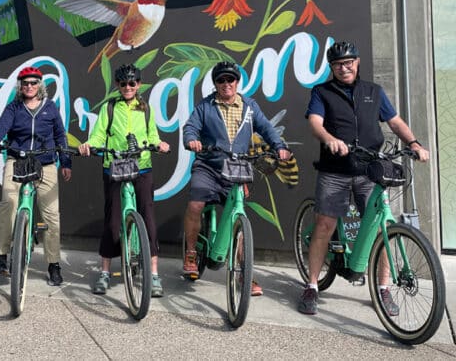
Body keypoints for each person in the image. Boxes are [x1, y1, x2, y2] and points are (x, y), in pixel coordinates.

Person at [298, 41, 429, 316]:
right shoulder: (322, 92)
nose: (343, 68)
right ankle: (311, 286)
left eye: (348, 63)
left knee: (380, 226)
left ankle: (383, 289)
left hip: (369, 169)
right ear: (331, 68)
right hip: (334, 169)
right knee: (324, 224)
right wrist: (330, 139)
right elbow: (315, 123)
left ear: (357, 63)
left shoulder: (374, 91)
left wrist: (414, 143)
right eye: (337, 64)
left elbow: (394, 121)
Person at [181, 61, 291, 296]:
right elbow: (190, 127)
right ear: (215, 84)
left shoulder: (249, 106)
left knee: (238, 218)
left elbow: (267, 128)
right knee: (196, 204)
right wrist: (192, 139)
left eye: (230, 79)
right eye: (221, 80)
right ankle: (190, 252)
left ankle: (244, 274)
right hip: (209, 166)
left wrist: (279, 146)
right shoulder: (205, 106)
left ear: (237, 81)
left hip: (237, 168)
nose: (226, 84)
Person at [79, 64, 170, 298]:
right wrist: (90, 144)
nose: (128, 87)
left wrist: (159, 144)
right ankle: (105, 272)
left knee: (148, 217)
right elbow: (99, 133)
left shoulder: (146, 108)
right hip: (114, 165)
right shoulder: (110, 108)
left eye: (132, 83)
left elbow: (152, 134)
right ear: (117, 86)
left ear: (139, 85)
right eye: (123, 83)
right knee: (111, 220)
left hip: (142, 165)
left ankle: (154, 274)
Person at [0, 66, 71, 286]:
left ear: (40, 85)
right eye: (25, 83)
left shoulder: (50, 108)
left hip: (46, 162)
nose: (29, 86)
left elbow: (60, 135)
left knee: (52, 215)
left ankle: (54, 265)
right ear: (20, 87)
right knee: (9, 203)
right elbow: (2, 125)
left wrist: (66, 162)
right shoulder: (14, 107)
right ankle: (2, 257)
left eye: (33, 83)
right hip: (17, 160)